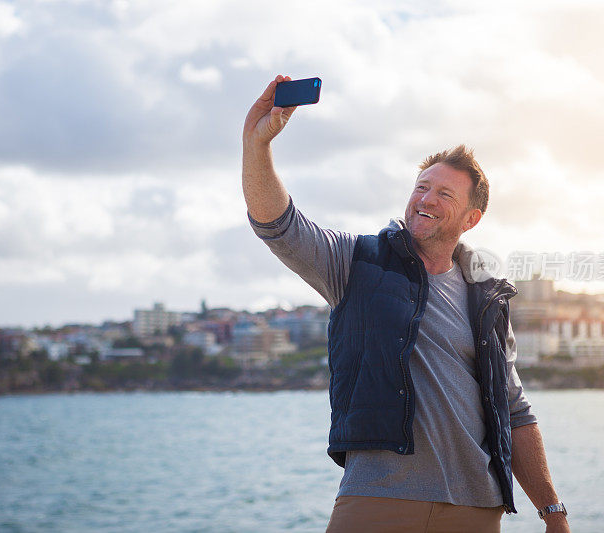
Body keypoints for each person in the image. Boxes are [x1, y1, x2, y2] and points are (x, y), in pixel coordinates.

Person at [242, 75, 570, 533]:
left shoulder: (488, 295)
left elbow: (513, 410)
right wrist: (257, 146)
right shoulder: (356, 261)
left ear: (471, 218)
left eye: (444, 194)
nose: (425, 199)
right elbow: (279, 224)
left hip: (475, 508)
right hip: (378, 498)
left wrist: (553, 512)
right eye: (421, 187)